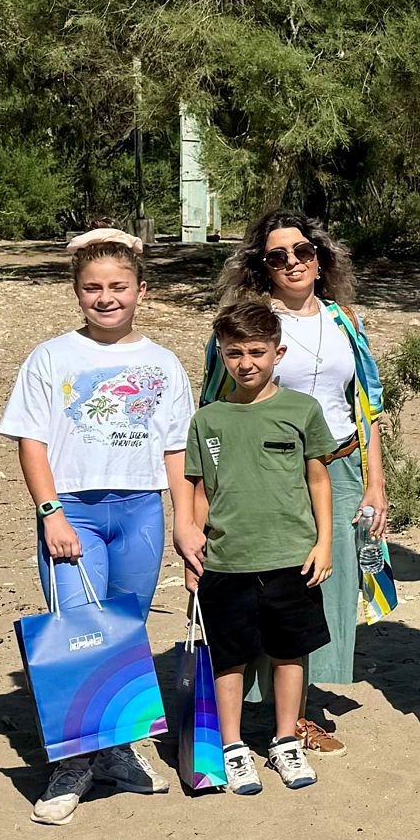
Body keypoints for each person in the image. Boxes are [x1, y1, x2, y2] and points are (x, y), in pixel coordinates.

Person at [0, 229, 194, 824]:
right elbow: (31, 441)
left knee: (124, 632)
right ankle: (74, 765)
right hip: (74, 509)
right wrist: (49, 511)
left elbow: (177, 451)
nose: (105, 298)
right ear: (76, 293)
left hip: (139, 510)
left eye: (118, 287)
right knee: (80, 629)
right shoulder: (52, 357)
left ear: (141, 290)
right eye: (92, 289)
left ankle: (118, 754)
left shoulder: (161, 363)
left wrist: (185, 523)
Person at [204, 210, 386, 752]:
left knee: (324, 581)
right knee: (264, 582)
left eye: (302, 251)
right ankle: (274, 715)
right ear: (261, 266)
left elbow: (367, 405)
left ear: (320, 256)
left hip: (342, 465)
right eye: (277, 255)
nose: (292, 263)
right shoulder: (248, 327)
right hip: (268, 473)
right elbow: (215, 407)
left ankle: (298, 712)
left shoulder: (344, 319)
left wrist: (376, 482)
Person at [183, 298, 341, 796]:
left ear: (278, 352)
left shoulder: (301, 410)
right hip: (226, 561)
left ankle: (284, 740)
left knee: (289, 653)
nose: (245, 363)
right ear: (221, 355)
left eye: (256, 351)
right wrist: (192, 553)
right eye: (233, 353)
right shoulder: (208, 419)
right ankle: (231, 748)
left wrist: (324, 543)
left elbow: (319, 479)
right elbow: (201, 491)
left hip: (291, 556)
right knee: (229, 658)